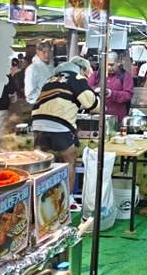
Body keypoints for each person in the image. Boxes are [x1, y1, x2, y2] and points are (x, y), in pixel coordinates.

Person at [32, 56, 99, 194]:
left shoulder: (51, 78)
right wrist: (99, 100)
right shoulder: (77, 78)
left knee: (42, 164)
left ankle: (39, 198)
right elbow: (93, 104)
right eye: (87, 74)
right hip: (59, 125)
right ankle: (68, 199)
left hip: (38, 124)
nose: (87, 78)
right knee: (69, 161)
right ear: (83, 69)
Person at [88, 52, 134, 119]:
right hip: (98, 116)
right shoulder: (96, 75)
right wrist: (95, 90)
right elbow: (87, 88)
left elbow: (128, 95)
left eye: (111, 65)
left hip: (117, 116)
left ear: (118, 63)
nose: (109, 67)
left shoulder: (125, 76)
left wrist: (111, 94)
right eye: (107, 65)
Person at [24, 40, 54, 105]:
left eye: (49, 51)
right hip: (38, 104)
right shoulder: (32, 69)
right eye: (44, 52)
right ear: (38, 52)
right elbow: (29, 95)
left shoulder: (51, 66)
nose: (47, 54)